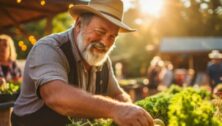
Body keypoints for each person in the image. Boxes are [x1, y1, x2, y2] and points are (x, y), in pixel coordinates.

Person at [11, 0, 154, 126]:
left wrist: (128, 108)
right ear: (79, 24)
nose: (105, 42)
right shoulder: (49, 48)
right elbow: (55, 96)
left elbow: (117, 94)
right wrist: (116, 109)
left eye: (112, 36)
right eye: (100, 31)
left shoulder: (102, 60)